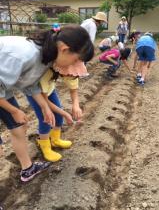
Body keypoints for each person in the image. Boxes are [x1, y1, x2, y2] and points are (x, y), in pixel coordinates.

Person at [0, 25, 94, 182]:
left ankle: (27, 169)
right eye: (76, 59)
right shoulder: (23, 55)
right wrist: (14, 110)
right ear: (64, 49)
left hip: (3, 89)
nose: (74, 65)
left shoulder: (46, 57)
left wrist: (45, 107)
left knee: (20, 127)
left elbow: (30, 84)